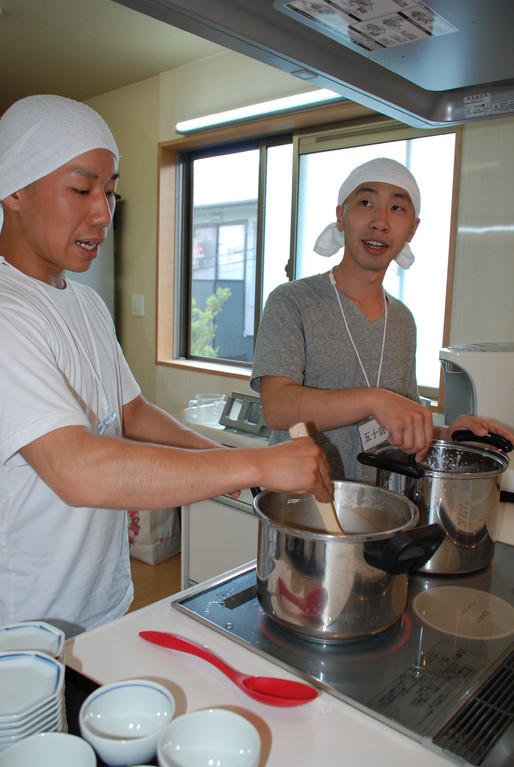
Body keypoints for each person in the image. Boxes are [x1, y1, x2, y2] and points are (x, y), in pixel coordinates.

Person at [0, 95, 332, 637]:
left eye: (109, 192)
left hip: (98, 600)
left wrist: (217, 459)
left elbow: (129, 411)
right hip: (23, 623)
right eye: (81, 189)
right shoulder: (6, 310)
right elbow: (75, 469)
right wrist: (252, 467)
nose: (103, 214)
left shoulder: (84, 303)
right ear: (13, 187)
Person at [251, 157, 514, 481]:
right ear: (341, 216)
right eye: (366, 202)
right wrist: (374, 400)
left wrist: (448, 434)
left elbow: (399, 424)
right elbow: (276, 407)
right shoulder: (293, 301)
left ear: (412, 229)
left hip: (381, 512)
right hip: (303, 511)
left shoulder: (403, 321)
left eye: (397, 208)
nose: (380, 222)